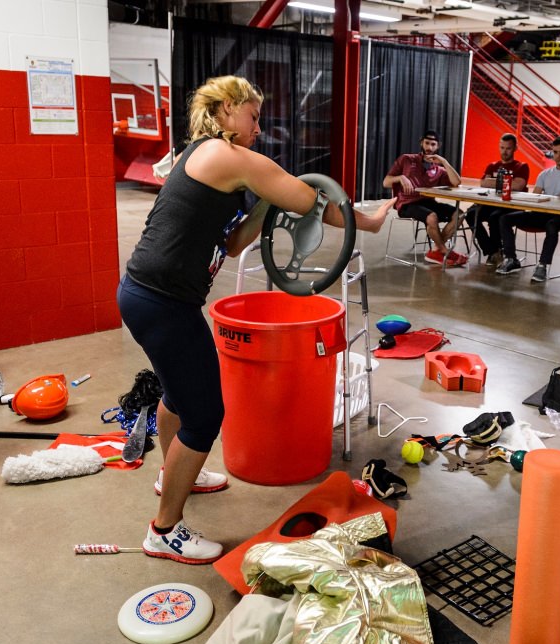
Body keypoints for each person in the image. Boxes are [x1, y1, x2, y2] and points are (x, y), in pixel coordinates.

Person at [117, 76, 391, 565]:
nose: (259, 128)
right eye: (253, 116)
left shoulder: (197, 155)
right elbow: (312, 201)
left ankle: (173, 473)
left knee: (176, 395)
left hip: (149, 295)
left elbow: (234, 243)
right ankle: (164, 530)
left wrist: (266, 201)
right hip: (162, 301)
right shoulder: (229, 157)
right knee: (204, 417)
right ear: (226, 109)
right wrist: (366, 221)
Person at [496, 136, 560, 280]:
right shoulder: (544, 174)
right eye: (555, 152)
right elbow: (536, 196)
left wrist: (548, 198)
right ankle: (511, 259)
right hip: (542, 213)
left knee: (552, 225)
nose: (558, 156)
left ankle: (542, 265)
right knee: (504, 218)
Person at [383, 130, 466, 267]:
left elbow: (457, 182)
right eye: (427, 143)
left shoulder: (438, 169)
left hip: (428, 203)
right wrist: (400, 177)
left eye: (433, 144)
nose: (429, 147)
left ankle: (436, 251)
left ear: (437, 146)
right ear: (421, 143)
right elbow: (385, 182)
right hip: (406, 204)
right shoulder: (407, 159)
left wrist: (444, 162)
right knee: (432, 217)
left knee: (460, 214)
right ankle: (445, 251)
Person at [463, 133, 529, 267]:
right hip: (490, 203)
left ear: (515, 148)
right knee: (470, 214)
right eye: (502, 148)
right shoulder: (492, 165)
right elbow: (483, 183)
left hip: (511, 205)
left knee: (495, 218)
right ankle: (493, 252)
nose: (504, 152)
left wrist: (494, 181)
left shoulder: (521, 166)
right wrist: (508, 180)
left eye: (508, 148)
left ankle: (498, 251)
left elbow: (518, 186)